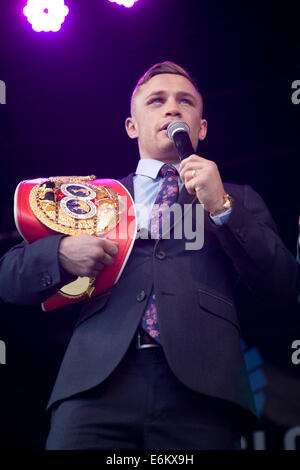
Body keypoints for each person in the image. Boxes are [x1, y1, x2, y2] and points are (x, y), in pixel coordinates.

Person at [0, 61, 298, 450]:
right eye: (157, 100)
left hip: (204, 389)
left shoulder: (236, 197)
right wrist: (60, 253)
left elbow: (282, 285)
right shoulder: (89, 199)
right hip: (95, 386)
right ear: (132, 126)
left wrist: (221, 206)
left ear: (201, 128)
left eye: (185, 102)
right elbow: (8, 276)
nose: (172, 108)